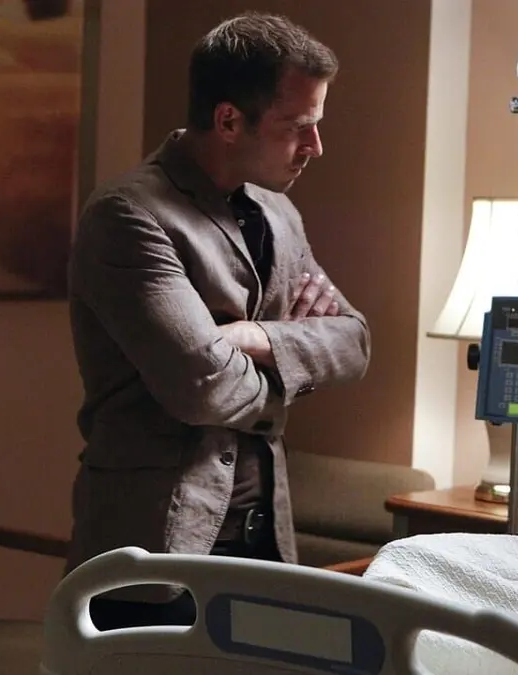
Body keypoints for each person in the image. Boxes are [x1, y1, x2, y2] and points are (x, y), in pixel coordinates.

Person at [65, 12, 370, 629]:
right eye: (298, 127)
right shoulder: (128, 215)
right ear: (229, 120)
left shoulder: (279, 214)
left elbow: (355, 341)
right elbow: (202, 386)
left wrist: (258, 337)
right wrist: (293, 367)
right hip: (151, 552)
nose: (316, 146)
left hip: (264, 541)